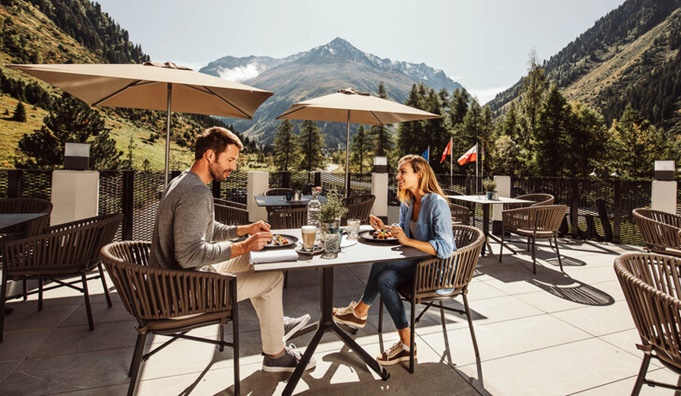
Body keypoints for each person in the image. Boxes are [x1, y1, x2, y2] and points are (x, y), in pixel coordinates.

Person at [150, 126, 315, 373]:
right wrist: (243, 246)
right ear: (209, 156)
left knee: (254, 259)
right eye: (230, 160)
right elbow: (188, 255)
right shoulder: (196, 192)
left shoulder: (182, 181)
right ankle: (276, 355)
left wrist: (244, 230)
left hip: (174, 281)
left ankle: (276, 324)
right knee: (272, 278)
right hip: (182, 291)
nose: (234, 167)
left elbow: (207, 230)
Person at [332, 154, 454, 366]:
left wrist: (406, 240)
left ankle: (360, 312)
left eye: (402, 172)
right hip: (414, 266)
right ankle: (407, 345)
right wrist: (386, 229)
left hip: (433, 272)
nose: (397, 176)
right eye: (398, 172)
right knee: (385, 278)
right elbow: (405, 232)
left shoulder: (436, 204)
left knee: (383, 262)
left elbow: (445, 248)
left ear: (419, 173)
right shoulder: (408, 201)